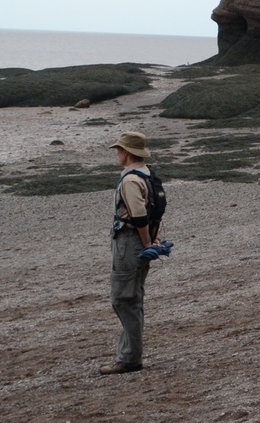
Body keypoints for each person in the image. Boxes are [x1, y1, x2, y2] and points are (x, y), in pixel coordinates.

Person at [103, 131, 165, 374]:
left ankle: (129, 358)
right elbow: (155, 212)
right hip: (143, 239)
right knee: (133, 296)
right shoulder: (149, 174)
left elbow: (139, 216)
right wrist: (154, 238)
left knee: (124, 298)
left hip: (130, 242)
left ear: (127, 152)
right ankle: (130, 354)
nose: (117, 155)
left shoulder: (130, 180)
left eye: (118, 150)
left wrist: (147, 243)